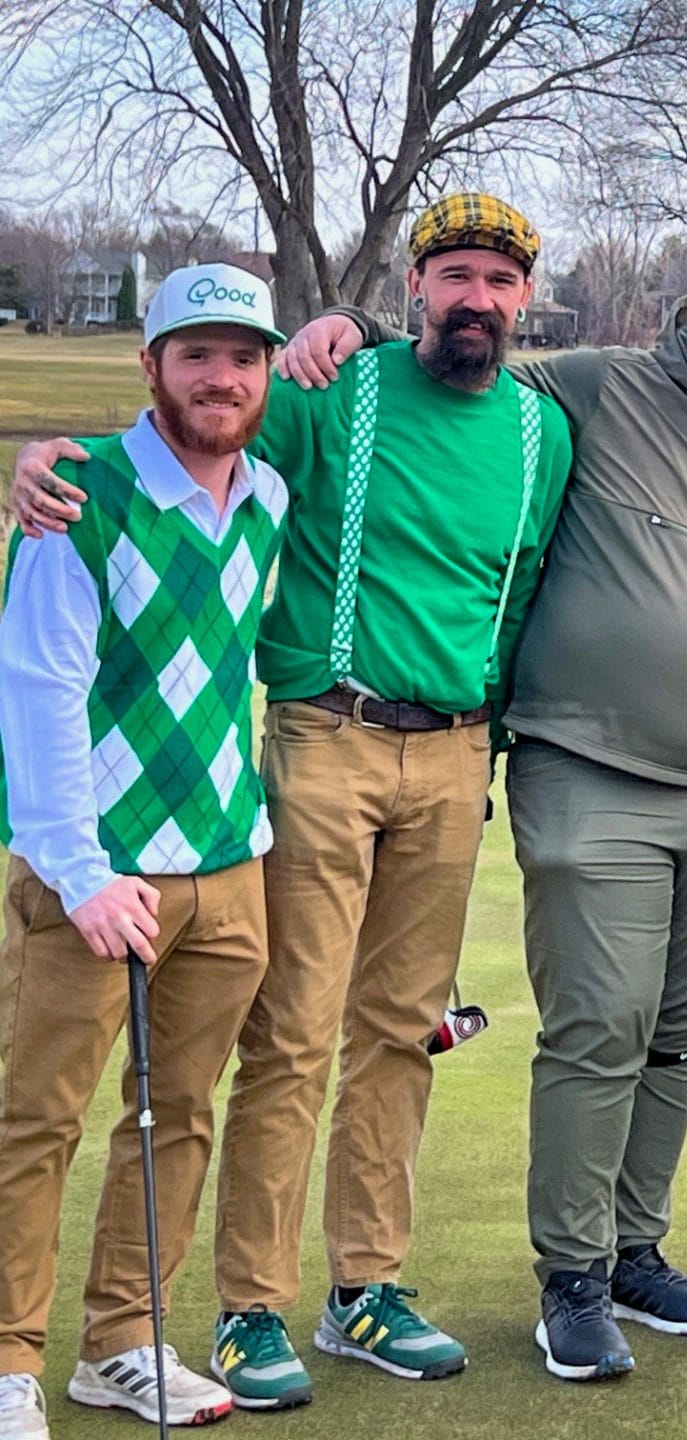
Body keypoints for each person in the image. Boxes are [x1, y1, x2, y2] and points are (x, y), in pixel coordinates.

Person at [12, 193, 573, 1405]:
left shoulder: (543, 428)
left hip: (459, 750)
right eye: (454, 274)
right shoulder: (331, 394)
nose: (476, 296)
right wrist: (49, 463)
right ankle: (250, 1309)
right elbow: (191, 433)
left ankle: (365, 1287)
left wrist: (495, 739)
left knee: (398, 1034)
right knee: (293, 1034)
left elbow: (518, 590)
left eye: (499, 279)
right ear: (417, 287)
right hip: (327, 736)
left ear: (525, 297)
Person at [270, 231, 687, 1380]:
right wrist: (354, 330)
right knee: (600, 1029)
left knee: (675, 1036)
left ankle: (638, 1249)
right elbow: (463, 354)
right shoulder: (596, 384)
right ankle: (573, 1278)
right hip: (588, 766)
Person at [0, 265, 289, 1433]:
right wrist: (77, 871)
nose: (222, 378)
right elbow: (39, 687)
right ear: (152, 366)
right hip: (98, 879)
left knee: (176, 1117)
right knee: (37, 1118)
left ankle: (119, 1341)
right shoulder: (82, 494)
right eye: (196, 353)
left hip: (228, 865)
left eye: (244, 356)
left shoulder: (265, 492)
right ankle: (9, 1358)